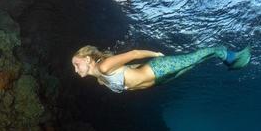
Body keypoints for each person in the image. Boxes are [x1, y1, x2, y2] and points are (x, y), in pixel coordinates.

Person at [71, 45, 251, 93]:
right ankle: (232, 62)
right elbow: (128, 68)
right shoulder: (100, 79)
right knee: (196, 62)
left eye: (76, 64)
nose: (75, 68)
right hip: (159, 80)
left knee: (195, 57)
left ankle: (229, 55)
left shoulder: (103, 66)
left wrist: (156, 55)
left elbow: (133, 53)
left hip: (158, 69)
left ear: (88, 59)